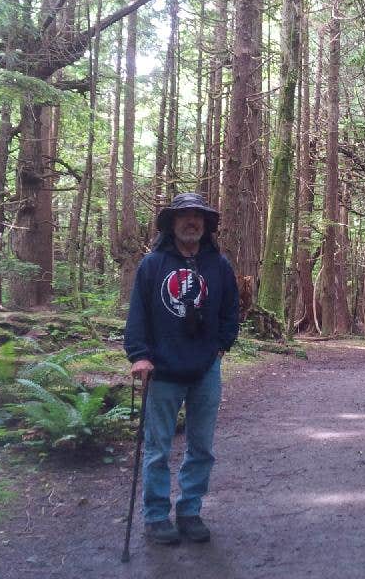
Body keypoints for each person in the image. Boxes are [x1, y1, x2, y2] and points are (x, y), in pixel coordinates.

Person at [123, 192, 239, 545]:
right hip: (162, 371)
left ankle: (190, 511)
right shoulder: (152, 265)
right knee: (158, 448)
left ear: (206, 225)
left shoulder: (219, 266)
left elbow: (231, 311)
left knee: (201, 446)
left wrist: (221, 345)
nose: (192, 221)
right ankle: (156, 516)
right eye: (185, 216)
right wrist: (139, 355)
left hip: (205, 371)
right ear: (172, 223)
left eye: (198, 217)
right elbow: (138, 315)